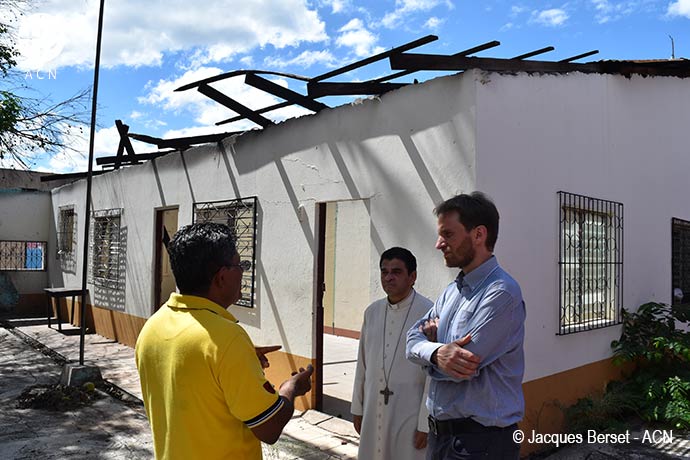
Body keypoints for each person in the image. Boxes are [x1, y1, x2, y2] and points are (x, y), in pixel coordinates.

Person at [135, 222, 313, 460]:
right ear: (221, 277)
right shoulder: (227, 340)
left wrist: (241, 359)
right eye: (240, 266)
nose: (242, 273)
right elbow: (269, 428)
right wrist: (290, 388)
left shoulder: (152, 327)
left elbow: (195, 381)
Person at [406, 192, 526, 460]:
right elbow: (411, 340)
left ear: (479, 235)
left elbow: (462, 367)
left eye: (448, 234)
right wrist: (438, 353)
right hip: (440, 437)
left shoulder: (502, 293)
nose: (439, 244)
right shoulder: (452, 291)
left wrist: (428, 349)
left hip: (481, 443)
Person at [351, 247, 434, 460]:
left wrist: (426, 422)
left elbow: (434, 375)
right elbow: (362, 363)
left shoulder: (429, 314)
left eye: (396, 272)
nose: (388, 277)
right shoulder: (372, 312)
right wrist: (358, 407)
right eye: (384, 271)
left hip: (410, 412)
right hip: (373, 408)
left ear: (412, 276)